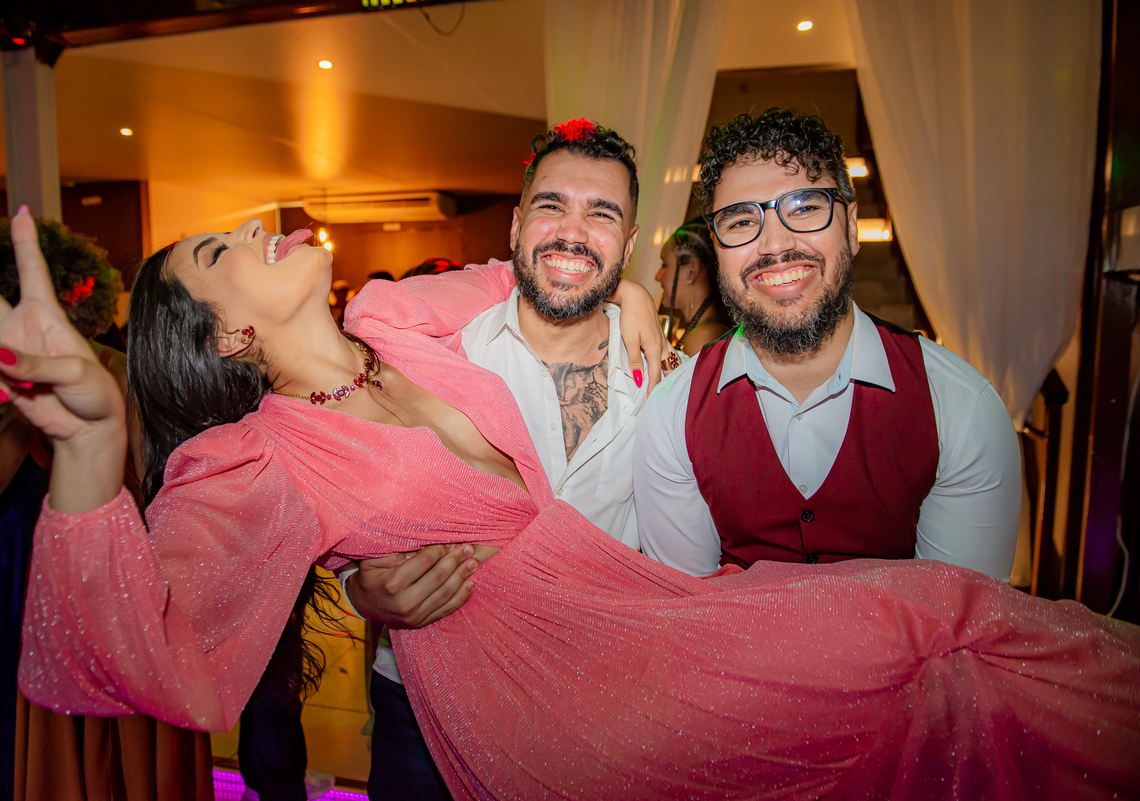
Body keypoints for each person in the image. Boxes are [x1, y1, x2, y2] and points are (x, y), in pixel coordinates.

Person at [0, 208, 1137, 800]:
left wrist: (626, 293)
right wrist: (92, 447)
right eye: (220, 253)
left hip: (641, 613)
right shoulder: (253, 463)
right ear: (228, 338)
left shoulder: (395, 322)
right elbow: (151, 650)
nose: (256, 226)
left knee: (944, 646)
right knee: (925, 635)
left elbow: (540, 270)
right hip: (548, 692)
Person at [343, 119, 666, 800]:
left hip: (594, 702)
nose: (573, 232)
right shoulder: (431, 360)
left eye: (601, 213)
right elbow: (352, 502)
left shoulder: (667, 380)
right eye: (552, 205)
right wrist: (359, 591)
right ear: (517, 227)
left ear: (630, 243)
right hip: (426, 706)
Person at [636, 109, 1022, 581]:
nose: (775, 245)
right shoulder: (673, 414)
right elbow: (685, 610)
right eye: (740, 221)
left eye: (804, 207)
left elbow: (959, 614)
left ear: (852, 227)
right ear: (717, 251)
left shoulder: (960, 408)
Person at [0, 218, 212, 801]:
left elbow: (159, 500)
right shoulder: (33, 394)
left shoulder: (125, 375)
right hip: (68, 582)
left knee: (129, 751)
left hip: (130, 583)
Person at [656, 221, 731, 355]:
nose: (657, 276)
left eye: (664, 265)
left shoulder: (702, 338)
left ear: (691, 270)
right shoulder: (714, 330)